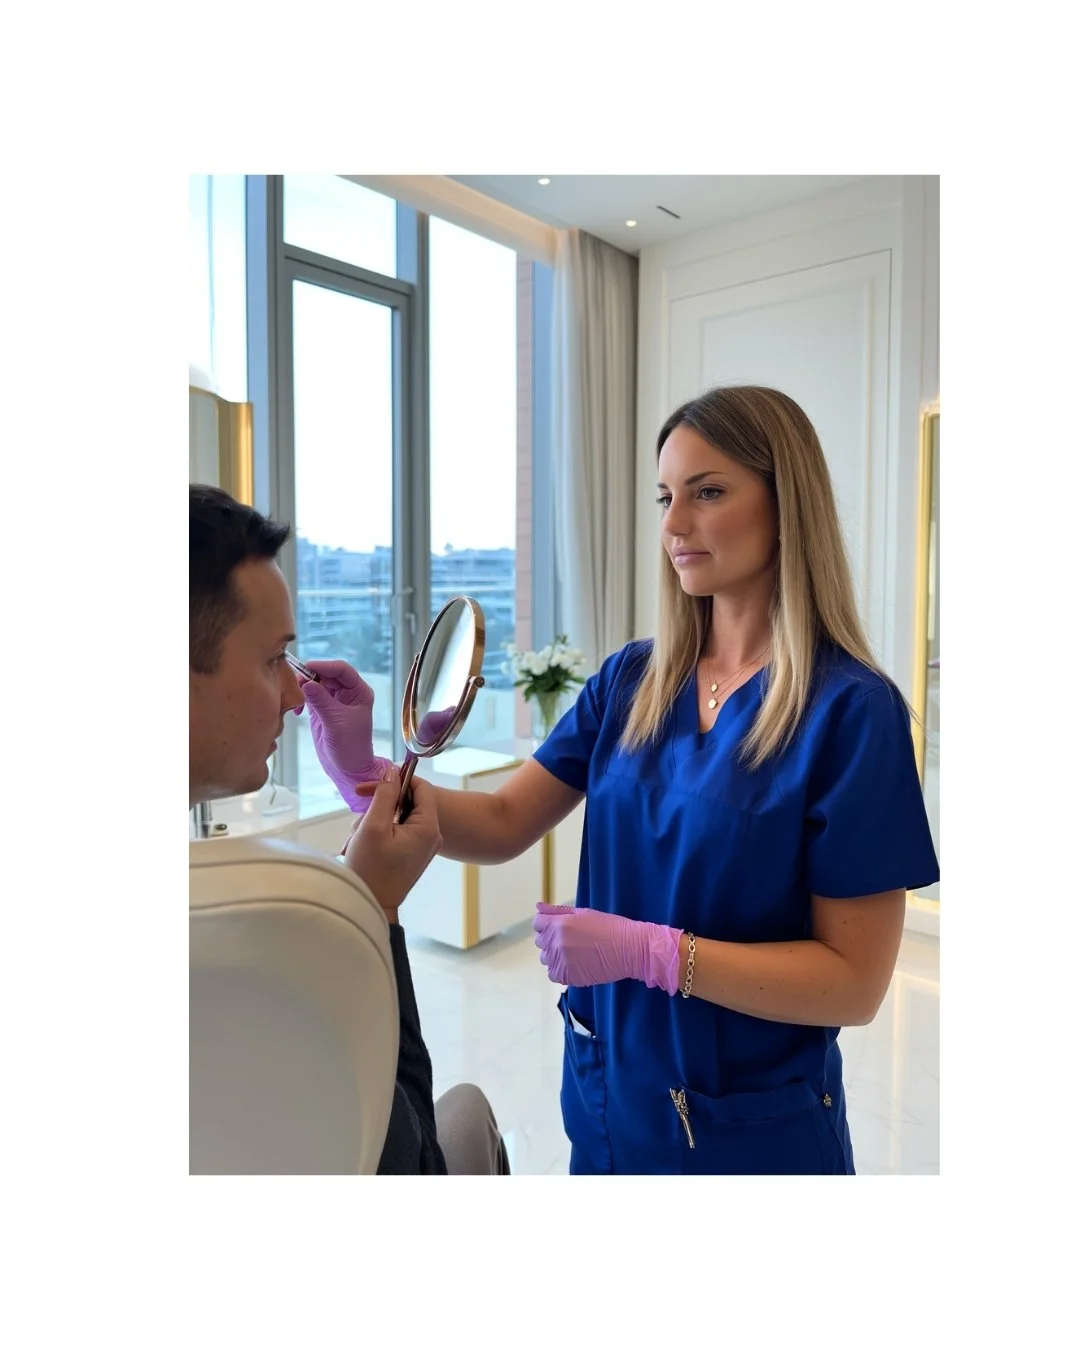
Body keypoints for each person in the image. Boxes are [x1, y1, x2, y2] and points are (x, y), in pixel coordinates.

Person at [306, 385, 939, 1174]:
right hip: (611, 1094)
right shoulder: (634, 679)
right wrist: (363, 770)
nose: (674, 526)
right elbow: (503, 821)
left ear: (789, 502)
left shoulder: (852, 713)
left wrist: (655, 954)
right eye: (667, 497)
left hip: (750, 1127)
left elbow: (853, 985)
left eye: (708, 493)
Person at [189, 484, 509, 1175]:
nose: (294, 695)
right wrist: (368, 912)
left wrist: (361, 777)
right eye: (275, 659)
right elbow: (408, 1163)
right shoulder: (258, 925)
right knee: (468, 1115)